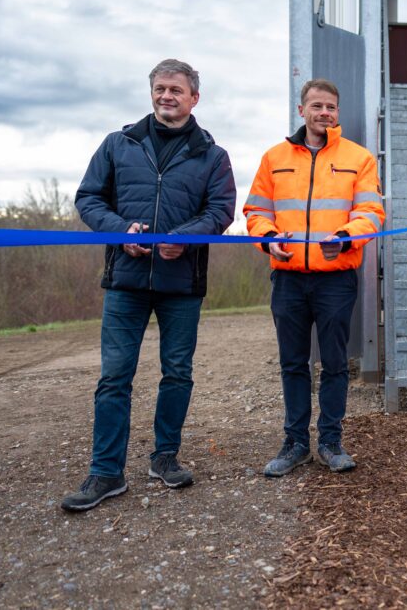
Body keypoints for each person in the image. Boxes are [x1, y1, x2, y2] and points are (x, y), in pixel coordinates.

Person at [62, 59, 236, 512]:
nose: (166, 97)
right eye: (160, 88)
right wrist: (122, 231)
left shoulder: (213, 155)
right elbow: (88, 198)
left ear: (194, 97)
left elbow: (221, 211)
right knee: (114, 377)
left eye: (176, 90)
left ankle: (165, 457)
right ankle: (105, 471)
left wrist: (185, 238)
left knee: (177, 373)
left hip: (182, 282)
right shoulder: (118, 144)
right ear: (152, 93)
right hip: (126, 280)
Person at [243, 78, 385, 477]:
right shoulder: (274, 158)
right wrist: (267, 240)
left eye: (331, 107)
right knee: (292, 363)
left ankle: (330, 441)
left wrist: (344, 237)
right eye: (317, 106)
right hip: (288, 277)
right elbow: (256, 212)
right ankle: (295, 443)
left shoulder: (359, 158)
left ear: (338, 113)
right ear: (302, 109)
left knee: (336, 363)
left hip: (335, 279)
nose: (325, 113)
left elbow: (372, 212)